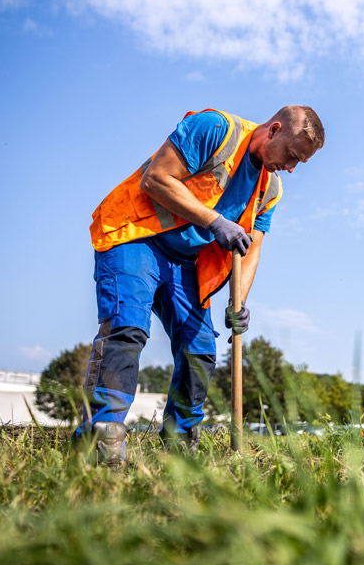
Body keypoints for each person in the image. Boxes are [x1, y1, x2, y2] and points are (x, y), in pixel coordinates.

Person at [75, 105, 325, 464]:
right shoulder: (216, 130)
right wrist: (215, 221)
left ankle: (180, 446)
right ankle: (102, 437)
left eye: (299, 162)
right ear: (274, 130)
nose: (290, 167)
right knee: (127, 330)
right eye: (291, 154)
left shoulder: (270, 188)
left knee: (201, 349)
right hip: (135, 236)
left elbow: (251, 247)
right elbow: (156, 179)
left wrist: (239, 302)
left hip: (183, 261)